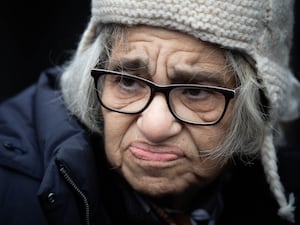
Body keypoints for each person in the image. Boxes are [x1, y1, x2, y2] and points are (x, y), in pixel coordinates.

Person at [0, 0, 300, 225]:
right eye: (128, 82)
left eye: (195, 92)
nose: (155, 127)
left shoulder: (290, 186)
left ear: (259, 104)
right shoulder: (13, 191)